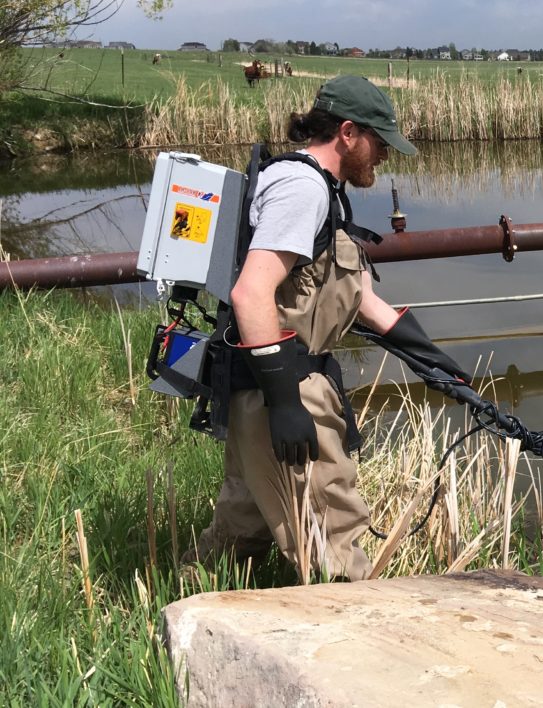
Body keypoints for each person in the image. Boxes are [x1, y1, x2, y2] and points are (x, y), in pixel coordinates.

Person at [184, 75, 470, 581]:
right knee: (334, 543)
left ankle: (190, 603)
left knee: (238, 536)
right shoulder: (301, 189)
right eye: (380, 144)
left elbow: (361, 300)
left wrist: (435, 363)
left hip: (271, 385)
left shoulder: (327, 192)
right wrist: (286, 403)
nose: (384, 156)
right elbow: (251, 293)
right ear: (347, 132)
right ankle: (358, 643)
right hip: (281, 386)